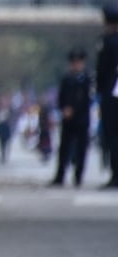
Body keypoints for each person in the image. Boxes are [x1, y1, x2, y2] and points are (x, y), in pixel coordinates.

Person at [50, 47, 92, 187]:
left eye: (78, 62)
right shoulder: (66, 79)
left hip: (81, 119)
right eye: (74, 62)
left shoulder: (87, 80)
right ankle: (60, 175)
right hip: (67, 119)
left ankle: (78, 176)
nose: (76, 65)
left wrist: (73, 109)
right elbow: (61, 97)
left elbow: (87, 100)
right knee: (64, 148)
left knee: (81, 149)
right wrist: (64, 109)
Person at [96, 3, 118, 188]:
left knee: (112, 135)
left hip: (112, 94)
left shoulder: (108, 42)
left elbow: (102, 71)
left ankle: (115, 174)